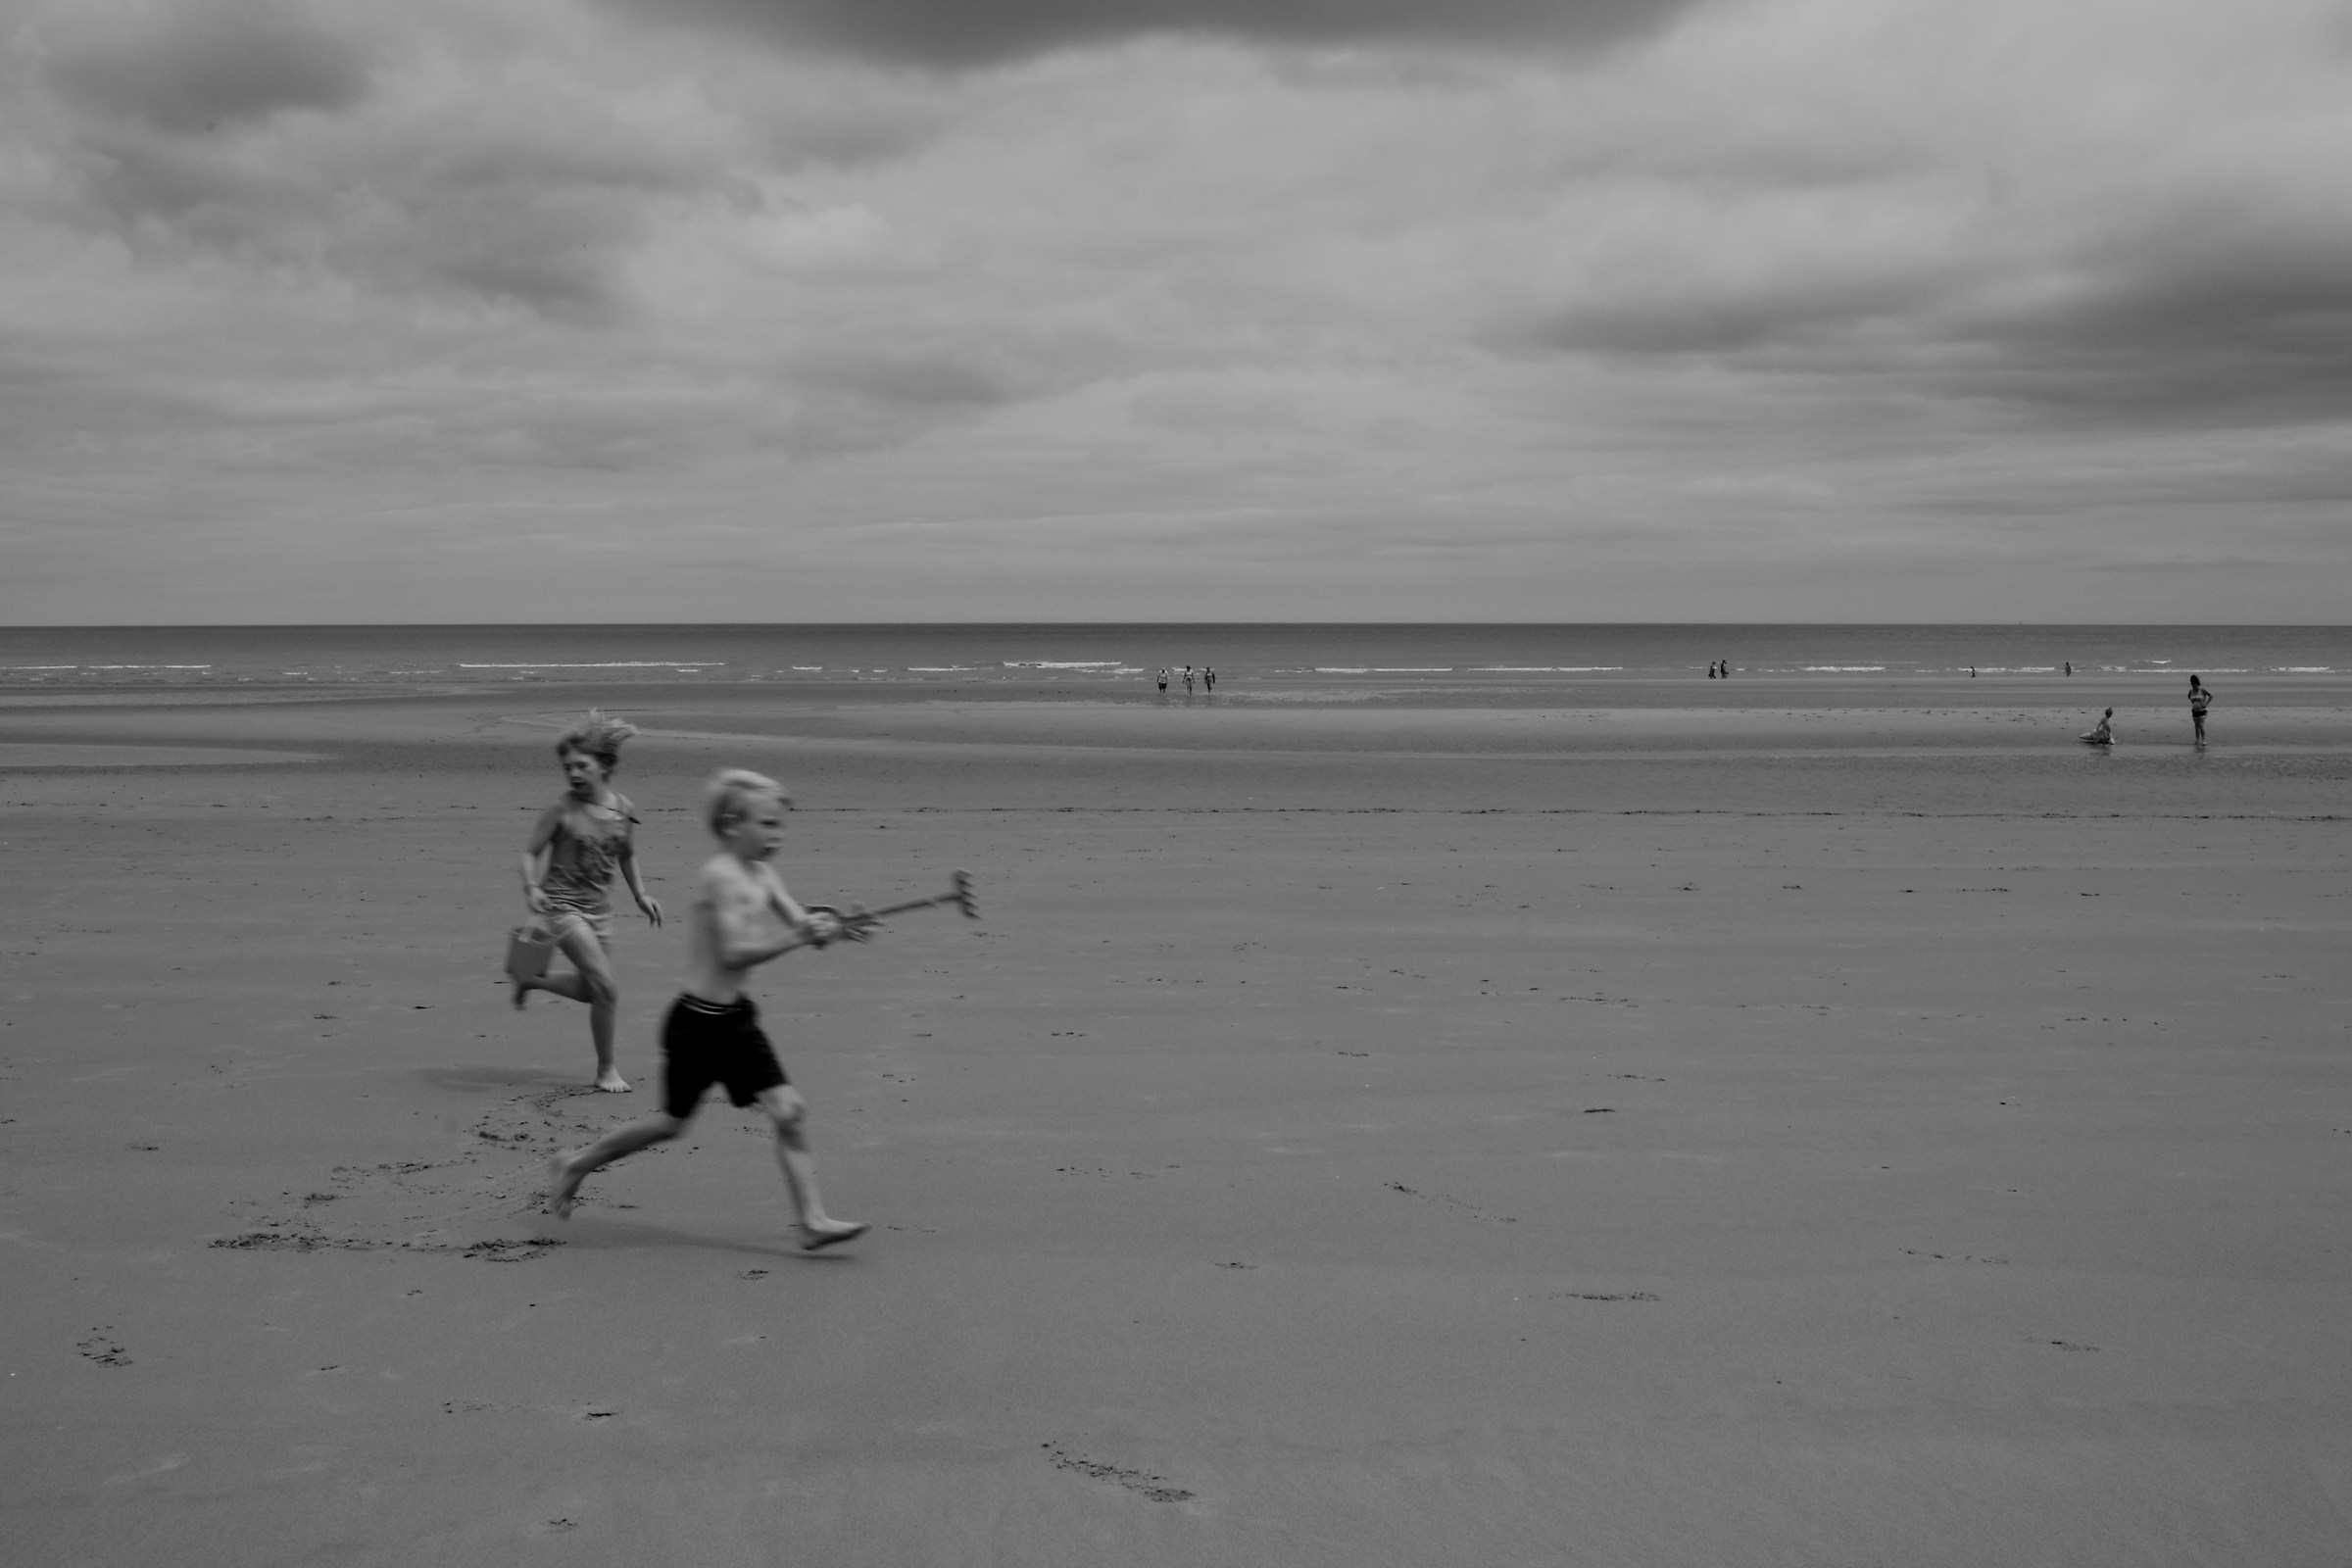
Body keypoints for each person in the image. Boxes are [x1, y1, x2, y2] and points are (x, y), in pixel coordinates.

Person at [546, 768, 869, 1250]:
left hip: (737, 1022)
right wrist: (800, 935)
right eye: (767, 824)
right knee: (670, 1125)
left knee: (789, 1112)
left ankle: (813, 1221)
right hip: (696, 1026)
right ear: (732, 825)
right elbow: (734, 953)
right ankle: (576, 1163)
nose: (777, 834)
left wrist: (834, 927)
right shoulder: (719, 876)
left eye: (780, 825)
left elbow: (800, 923)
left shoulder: (762, 873)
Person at [514, 711, 662, 1092]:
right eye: (568, 768)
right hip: (561, 908)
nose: (574, 774)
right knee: (608, 988)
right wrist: (531, 886)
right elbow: (529, 853)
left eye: (582, 766)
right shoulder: (561, 810)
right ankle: (606, 1070)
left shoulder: (623, 809)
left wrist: (641, 894)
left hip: (600, 913)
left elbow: (626, 854)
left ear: (605, 765)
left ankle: (531, 978)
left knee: (589, 990)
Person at [2188, 674, 2212, 745]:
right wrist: (2194, 703)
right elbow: (2190, 697)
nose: (2193, 686)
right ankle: (2197, 740)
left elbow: (2211, 695)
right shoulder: (2191, 691)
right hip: (2194, 710)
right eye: (2192, 685)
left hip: (2202, 710)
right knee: (2196, 726)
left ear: (2197, 684)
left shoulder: (2202, 690)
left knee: (2201, 725)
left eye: (2194, 685)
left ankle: (2203, 740)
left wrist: (2206, 703)